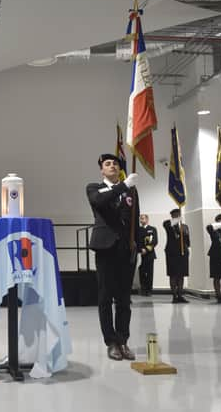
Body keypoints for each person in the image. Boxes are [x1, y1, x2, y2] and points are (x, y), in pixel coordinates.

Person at [86, 154, 140, 361]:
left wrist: (138, 245)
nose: (112, 166)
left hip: (125, 249)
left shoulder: (131, 191)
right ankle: (111, 342)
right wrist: (124, 185)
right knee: (106, 297)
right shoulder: (94, 188)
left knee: (124, 299)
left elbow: (135, 218)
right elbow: (100, 202)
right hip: (105, 248)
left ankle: (123, 340)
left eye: (115, 164)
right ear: (101, 170)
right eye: (107, 164)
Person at [163, 209, 191, 303]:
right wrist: (176, 221)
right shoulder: (168, 224)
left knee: (181, 275)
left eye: (178, 214)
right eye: (175, 215)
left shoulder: (185, 226)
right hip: (172, 253)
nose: (177, 216)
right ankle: (174, 296)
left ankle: (180, 295)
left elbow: (187, 240)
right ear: (172, 216)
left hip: (183, 252)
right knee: (173, 275)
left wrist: (188, 249)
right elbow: (167, 224)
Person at [137, 214, 158, 296]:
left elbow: (155, 241)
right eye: (140, 219)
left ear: (147, 219)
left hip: (149, 254)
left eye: (142, 218)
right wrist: (140, 249)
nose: (141, 220)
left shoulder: (152, 229)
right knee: (141, 272)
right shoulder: (138, 229)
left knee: (149, 272)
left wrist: (146, 249)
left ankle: (149, 290)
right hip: (140, 254)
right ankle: (143, 289)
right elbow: (137, 241)